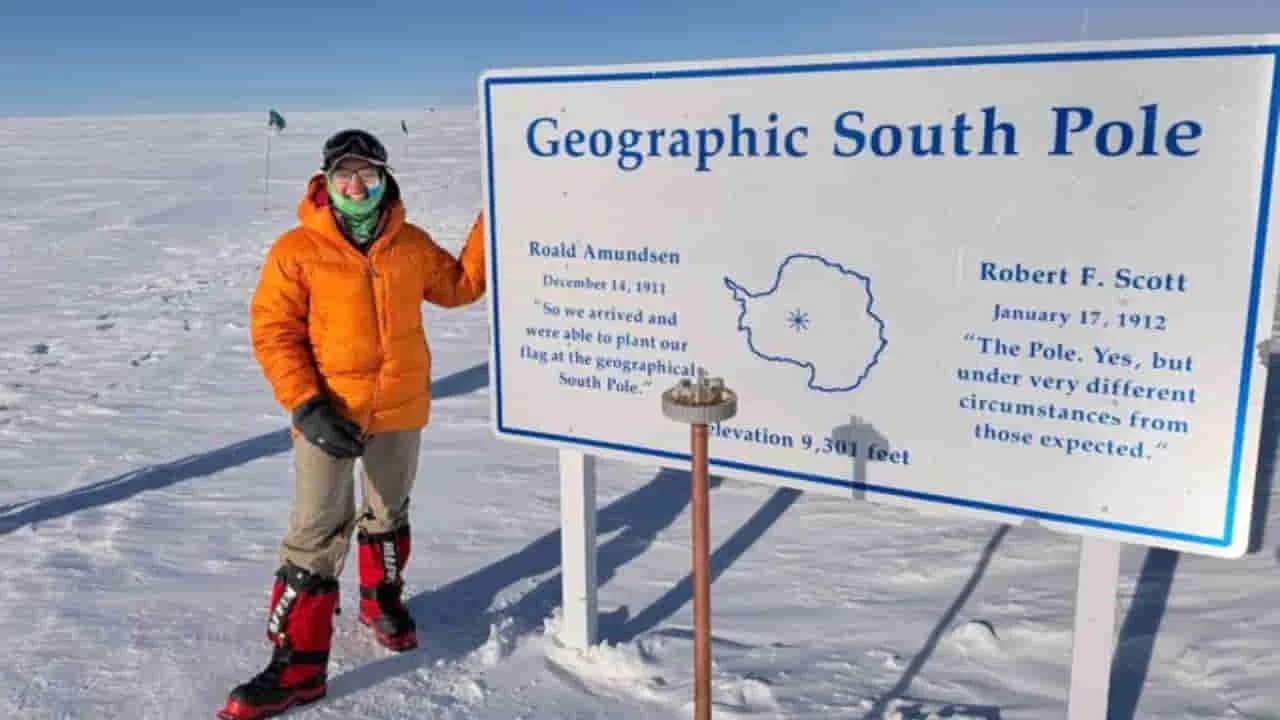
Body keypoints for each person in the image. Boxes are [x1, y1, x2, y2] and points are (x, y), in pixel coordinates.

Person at [219, 129, 486, 720]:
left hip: (399, 407)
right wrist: (306, 404)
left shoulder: (409, 244)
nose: (356, 184)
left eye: (367, 173)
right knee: (316, 530)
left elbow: (460, 286)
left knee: (389, 510)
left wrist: (492, 221)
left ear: (385, 178)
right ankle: (297, 666)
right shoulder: (296, 250)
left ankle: (380, 601)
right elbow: (274, 332)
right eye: (345, 173)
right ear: (326, 180)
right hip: (328, 413)